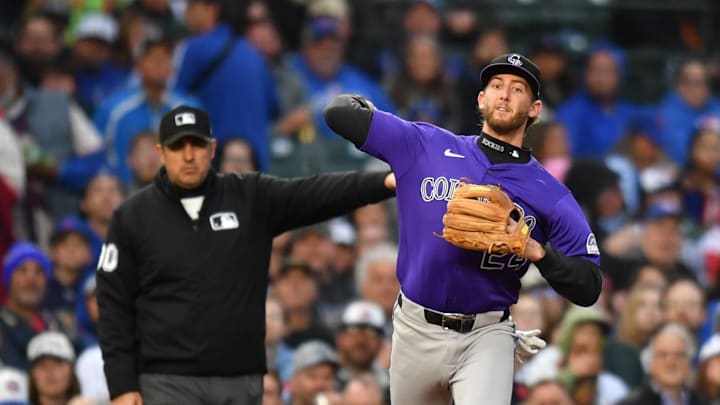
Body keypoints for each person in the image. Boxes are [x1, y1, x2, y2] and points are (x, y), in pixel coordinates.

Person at [324, 53, 602, 404]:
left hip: (486, 334)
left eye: (518, 89)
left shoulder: (551, 193)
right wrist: (368, 108)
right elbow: (338, 113)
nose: (504, 94)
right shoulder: (426, 145)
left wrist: (537, 251)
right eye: (496, 86)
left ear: (534, 109)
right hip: (414, 328)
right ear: (481, 98)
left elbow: (589, 286)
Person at [96, 105, 395, 404]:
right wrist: (121, 383)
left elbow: (314, 193)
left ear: (212, 149)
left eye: (197, 144)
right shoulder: (132, 216)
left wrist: (382, 183)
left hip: (240, 381)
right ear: (161, 152)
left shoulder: (249, 196)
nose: (188, 155)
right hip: (166, 380)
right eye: (177, 146)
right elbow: (113, 304)